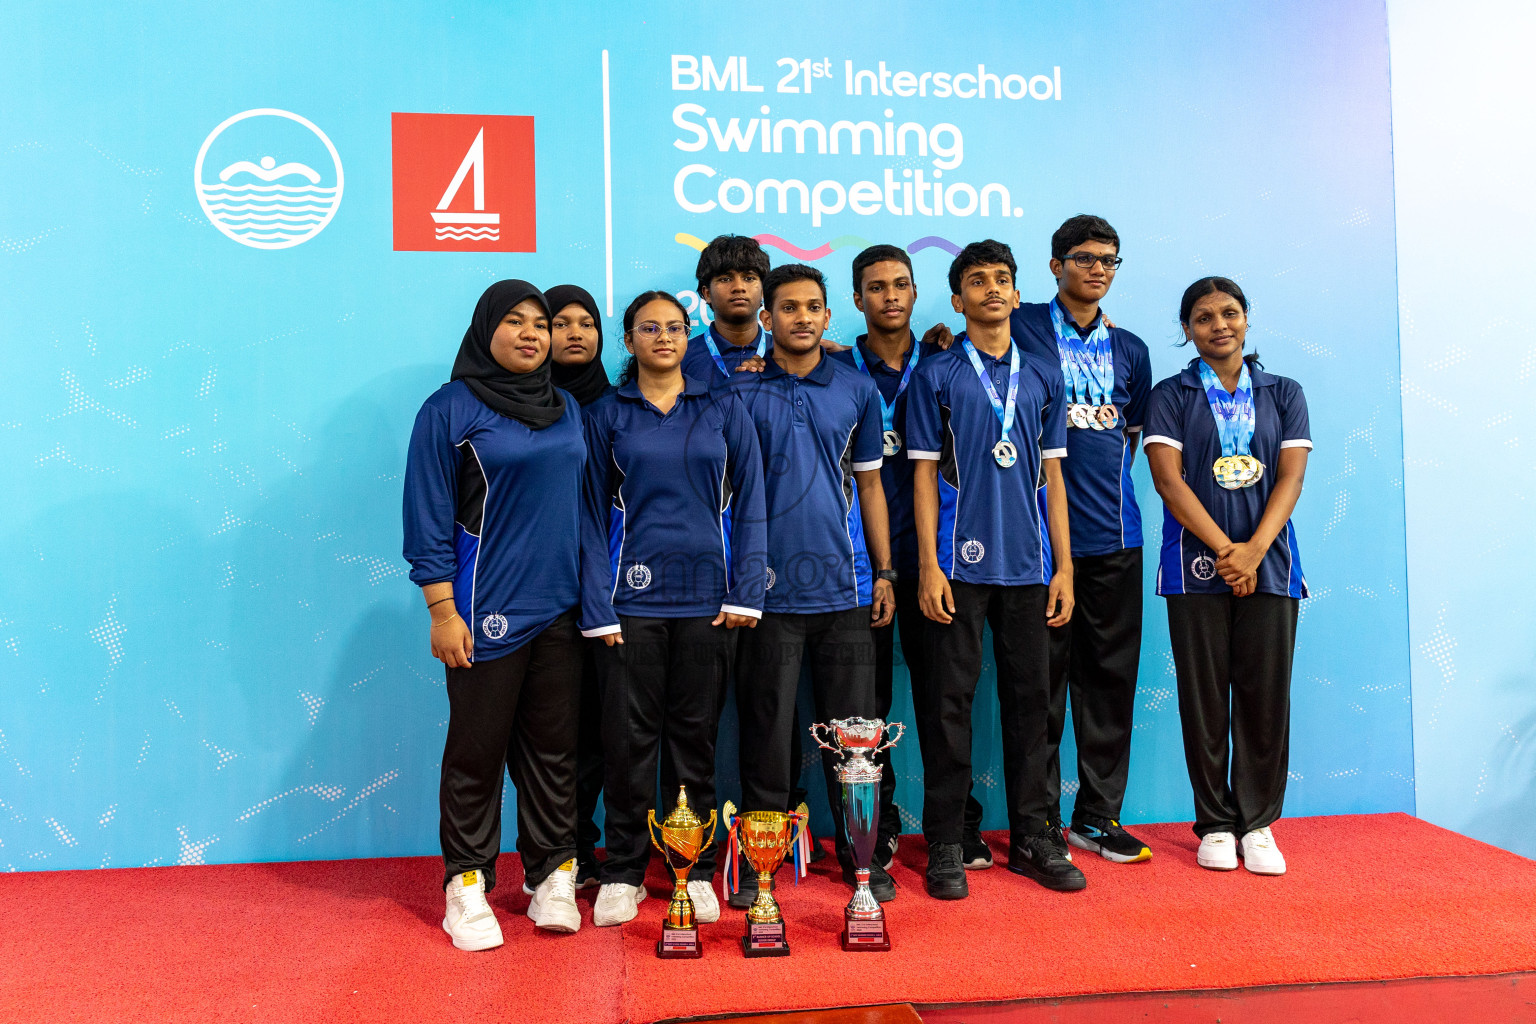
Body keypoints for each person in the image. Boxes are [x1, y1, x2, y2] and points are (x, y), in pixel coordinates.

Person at [402, 280, 587, 951]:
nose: (533, 334)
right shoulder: (450, 409)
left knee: (553, 753)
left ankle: (551, 875)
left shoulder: (566, 407)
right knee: (477, 754)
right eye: (516, 322)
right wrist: (441, 609)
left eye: (541, 323)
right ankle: (467, 884)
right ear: (486, 330)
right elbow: (426, 517)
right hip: (483, 614)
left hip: (561, 612)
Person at [578, 290, 768, 927]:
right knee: (628, 743)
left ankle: (697, 868)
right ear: (628, 341)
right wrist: (597, 603)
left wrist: (746, 591)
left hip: (709, 606)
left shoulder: (722, 407)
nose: (663, 337)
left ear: (689, 337)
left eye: (674, 327)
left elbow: (752, 505)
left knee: (695, 740)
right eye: (648, 328)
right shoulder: (607, 414)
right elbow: (585, 515)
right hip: (629, 605)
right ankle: (625, 870)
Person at [906, 240, 1083, 898]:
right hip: (956, 565)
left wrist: (1063, 567)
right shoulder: (938, 376)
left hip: (1031, 566)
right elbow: (923, 475)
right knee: (948, 706)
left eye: (1001, 279)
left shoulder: (1043, 374)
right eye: (976, 280)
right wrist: (927, 564)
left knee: (1031, 706)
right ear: (957, 299)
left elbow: (1054, 478)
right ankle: (948, 840)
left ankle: (1036, 835)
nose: (990, 289)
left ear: (1016, 293)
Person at [726, 263, 895, 907]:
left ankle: (862, 859)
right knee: (767, 734)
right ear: (766, 319)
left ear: (829, 317)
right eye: (788, 307)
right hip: (765, 597)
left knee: (855, 739)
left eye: (813, 307)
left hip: (846, 591)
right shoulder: (737, 393)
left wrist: (883, 572)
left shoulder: (855, 390)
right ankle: (758, 865)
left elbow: (872, 486)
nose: (802, 317)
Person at [1143, 277, 1310, 876]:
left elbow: (1289, 477)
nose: (1219, 325)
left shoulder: (1283, 392)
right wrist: (1225, 550)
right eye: (1204, 317)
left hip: (1271, 565)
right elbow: (1169, 480)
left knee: (1266, 698)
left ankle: (1258, 823)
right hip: (1194, 568)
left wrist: (1255, 550)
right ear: (1186, 328)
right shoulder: (1171, 395)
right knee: (1205, 697)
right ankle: (1215, 822)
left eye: (1230, 313)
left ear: (1247, 319)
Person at [1005, 216, 1154, 865]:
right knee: (1041, 690)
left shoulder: (1131, 350)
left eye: (1110, 261)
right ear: (1055, 263)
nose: (1098, 269)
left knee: (1110, 685)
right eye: (1085, 258)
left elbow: (1132, 437)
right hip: (1036, 547)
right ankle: (1035, 826)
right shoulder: (1023, 325)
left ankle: (1098, 816)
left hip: (1116, 539)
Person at [828, 244, 940, 897]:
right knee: (864, 712)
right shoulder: (837, 371)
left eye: (900, 284)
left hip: (933, 561)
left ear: (915, 290)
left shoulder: (944, 363)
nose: (890, 296)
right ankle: (875, 830)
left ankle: (953, 829)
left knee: (940, 701)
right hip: (863, 567)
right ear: (858, 299)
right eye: (876, 287)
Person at [544, 284, 613, 890]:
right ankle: (555, 852)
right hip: (541, 587)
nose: (573, 333)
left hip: (615, 588)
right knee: (554, 729)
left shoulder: (621, 404)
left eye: (585, 322)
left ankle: (591, 848)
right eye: (558, 321)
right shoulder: (519, 405)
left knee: (600, 727)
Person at [681, 234, 773, 384]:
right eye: (725, 279)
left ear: (763, 291)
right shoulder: (682, 357)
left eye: (749, 278)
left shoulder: (786, 353)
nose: (738, 287)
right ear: (707, 293)